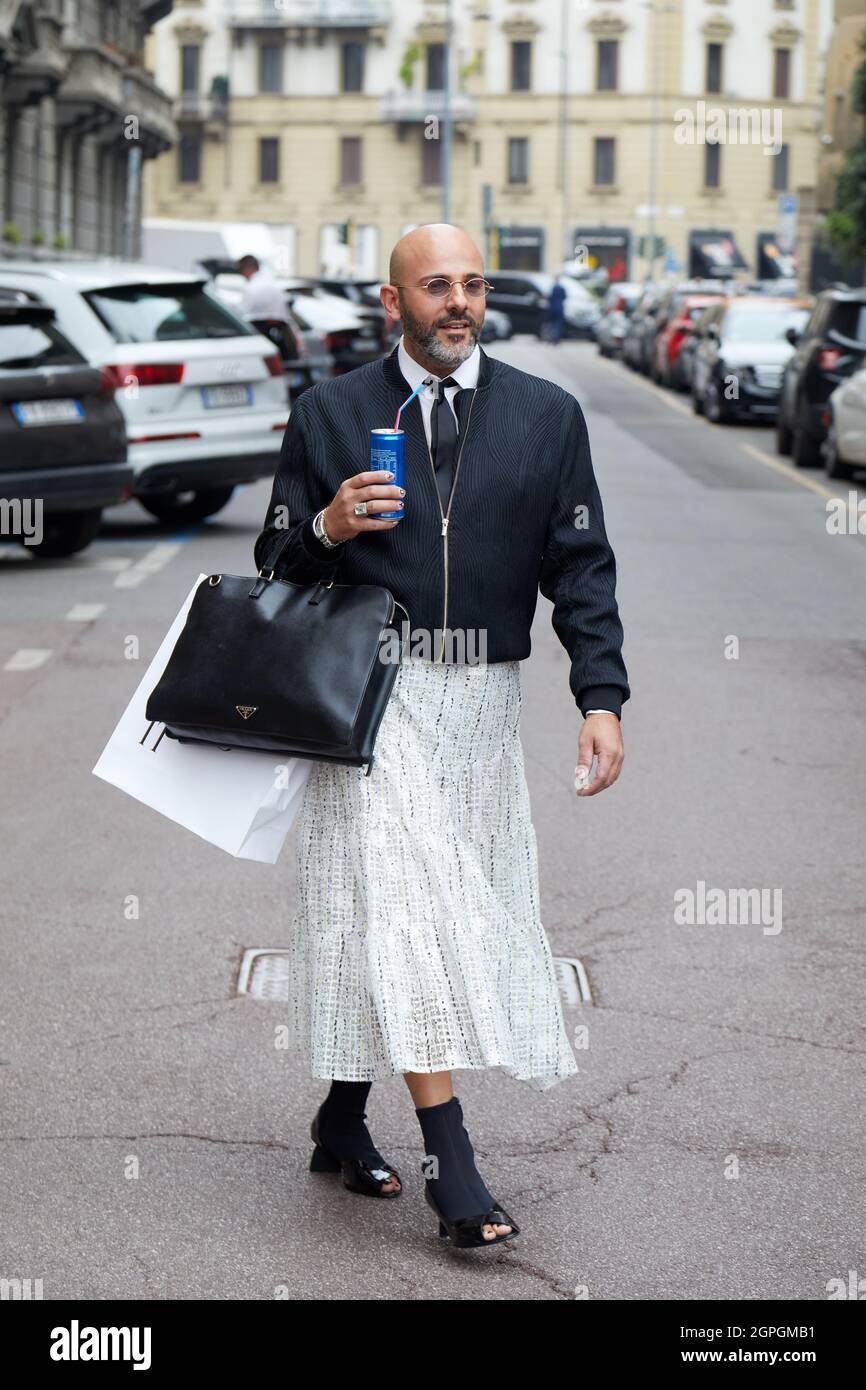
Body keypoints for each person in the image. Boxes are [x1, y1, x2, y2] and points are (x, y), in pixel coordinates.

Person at [253, 223, 629, 1250]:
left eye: (470, 284)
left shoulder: (546, 417)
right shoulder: (328, 413)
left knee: (392, 910)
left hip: (482, 703)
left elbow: (580, 568)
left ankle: (339, 1114)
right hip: (370, 696)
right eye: (433, 287)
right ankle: (449, 1161)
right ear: (392, 303)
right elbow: (276, 561)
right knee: (408, 904)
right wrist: (326, 527)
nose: (456, 302)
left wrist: (600, 697)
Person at [236, 253, 293, 362]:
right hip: (281, 335)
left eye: (241, 270)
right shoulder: (272, 284)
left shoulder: (251, 287)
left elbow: (242, 313)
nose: (242, 275)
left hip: (260, 333)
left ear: (248, 269)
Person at [546, 274, 567, 344]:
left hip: (553, 308)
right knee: (558, 324)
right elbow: (565, 297)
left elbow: (550, 298)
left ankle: (551, 338)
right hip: (560, 308)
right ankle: (556, 339)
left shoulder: (553, 288)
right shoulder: (562, 288)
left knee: (552, 324)